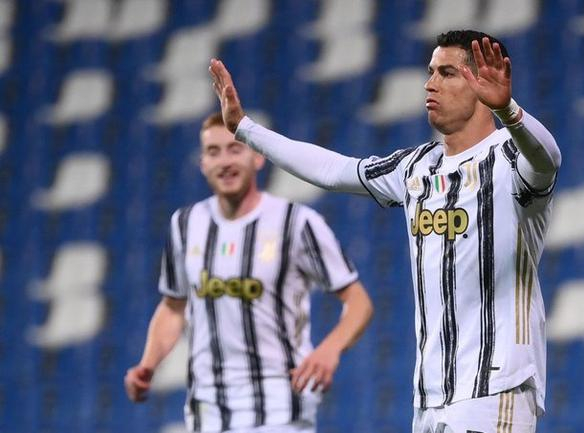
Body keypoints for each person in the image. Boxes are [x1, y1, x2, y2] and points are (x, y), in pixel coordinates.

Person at [209, 29, 561, 433]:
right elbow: (333, 170)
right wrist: (245, 128)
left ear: (481, 83)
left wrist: (509, 110)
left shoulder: (510, 161)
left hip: (495, 388)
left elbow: (548, 158)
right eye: (430, 72)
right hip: (430, 398)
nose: (430, 84)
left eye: (446, 73)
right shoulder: (416, 168)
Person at [124, 113, 373, 433]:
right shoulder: (184, 225)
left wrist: (330, 349)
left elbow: (358, 302)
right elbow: (173, 307)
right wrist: (147, 365)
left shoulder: (296, 223)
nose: (225, 161)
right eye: (213, 152)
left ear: (258, 157)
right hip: (207, 413)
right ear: (202, 163)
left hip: (281, 410)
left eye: (234, 149)